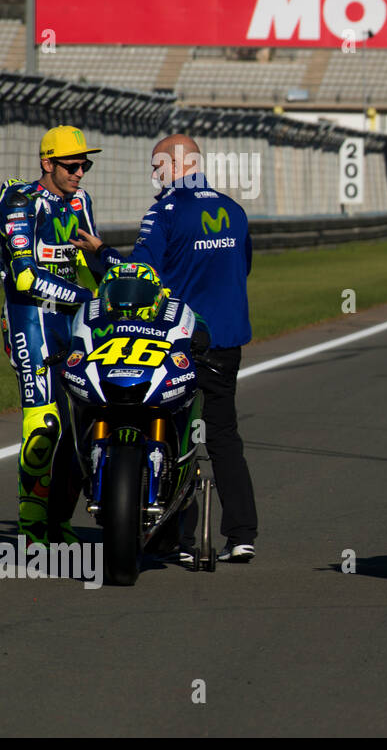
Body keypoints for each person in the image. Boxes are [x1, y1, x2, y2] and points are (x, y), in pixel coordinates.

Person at [75, 134, 257, 564]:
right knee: (223, 436)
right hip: (228, 340)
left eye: (157, 167)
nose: (153, 176)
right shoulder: (234, 209)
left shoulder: (165, 211)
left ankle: (176, 535)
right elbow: (243, 267)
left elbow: (138, 275)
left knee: (172, 431)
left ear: (176, 165)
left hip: (179, 338)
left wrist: (101, 255)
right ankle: (242, 534)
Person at [0, 126, 115, 545]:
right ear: (46, 163)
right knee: (46, 424)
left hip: (73, 320)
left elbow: (89, 258)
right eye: (71, 164)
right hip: (29, 318)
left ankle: (60, 522)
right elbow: (25, 277)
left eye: (85, 164)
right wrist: (85, 295)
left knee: (85, 422)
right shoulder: (19, 201)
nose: (80, 172)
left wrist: (114, 284)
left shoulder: (81, 200)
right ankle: (32, 529)